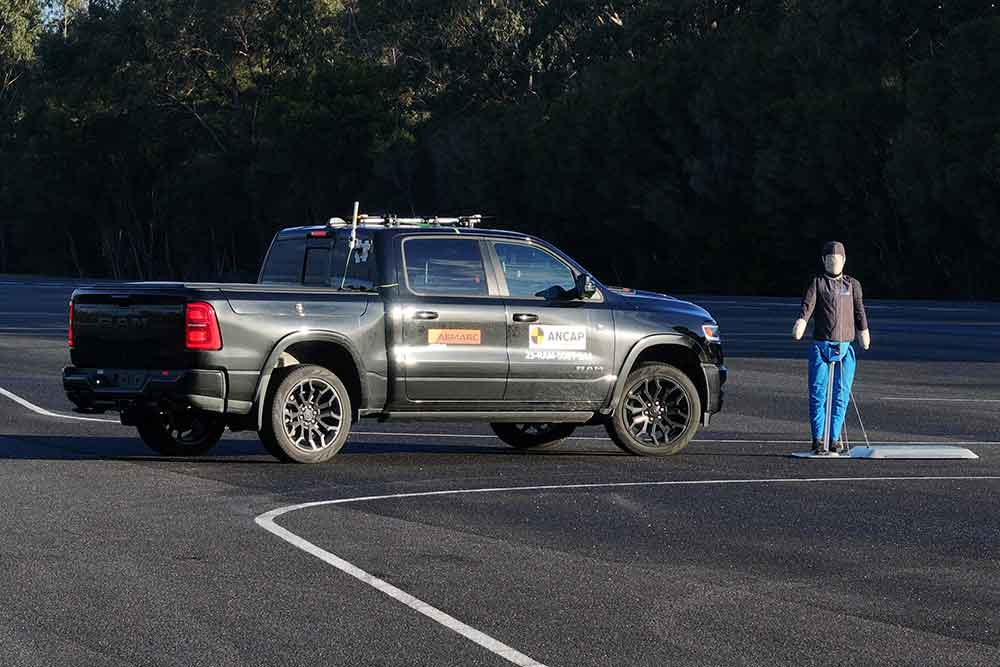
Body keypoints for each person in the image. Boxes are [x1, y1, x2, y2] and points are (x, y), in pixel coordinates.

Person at [792, 241, 871, 453]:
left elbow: (859, 311)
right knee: (818, 393)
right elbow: (807, 306)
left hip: (845, 348)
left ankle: (834, 437)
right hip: (821, 346)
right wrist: (801, 322)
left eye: (836, 259)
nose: (833, 262)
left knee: (841, 395)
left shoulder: (852, 285)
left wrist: (864, 331)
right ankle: (818, 438)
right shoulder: (817, 283)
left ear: (844, 260)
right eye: (829, 259)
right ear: (823, 261)